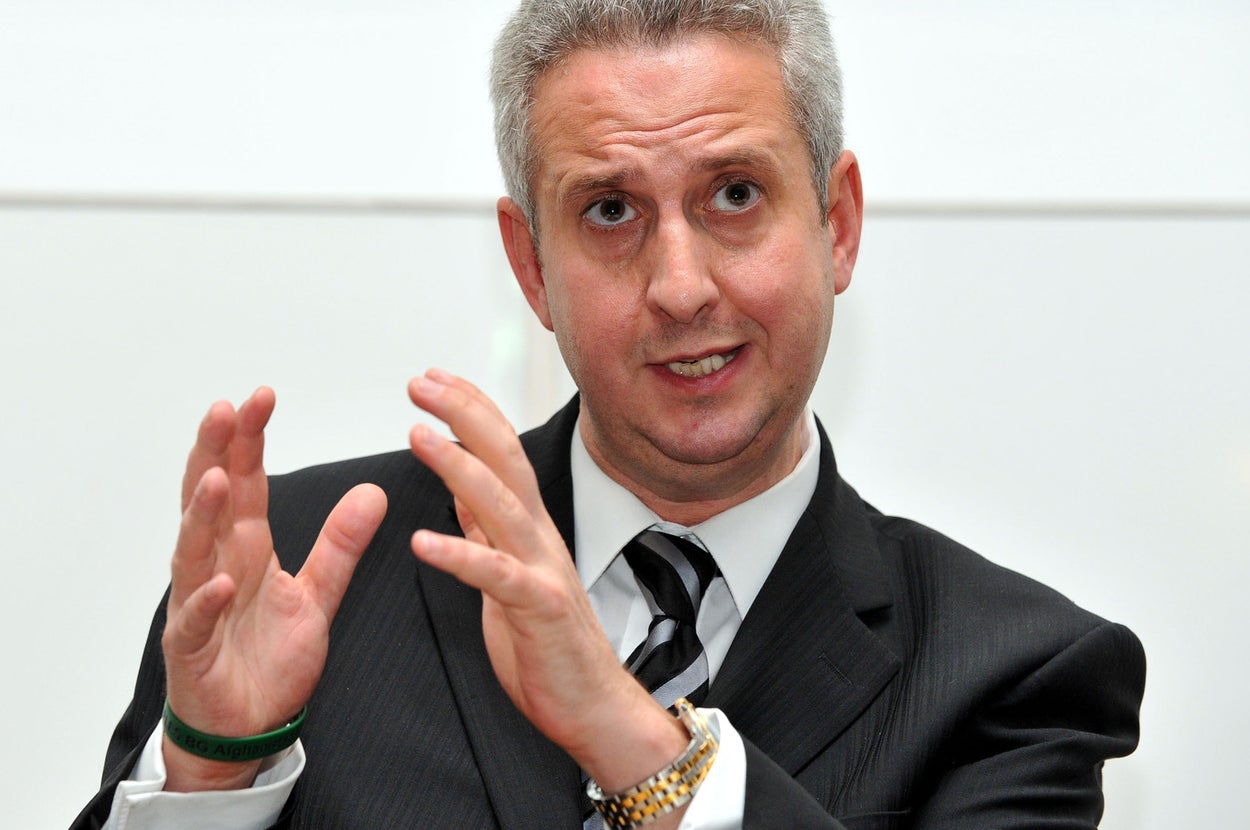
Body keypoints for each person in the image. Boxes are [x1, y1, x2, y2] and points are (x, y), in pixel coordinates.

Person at [73, 1, 1145, 828]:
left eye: (734, 194)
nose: (680, 286)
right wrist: (215, 771)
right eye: (611, 210)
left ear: (838, 222)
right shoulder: (305, 570)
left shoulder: (1015, 672)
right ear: (531, 266)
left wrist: (629, 734)